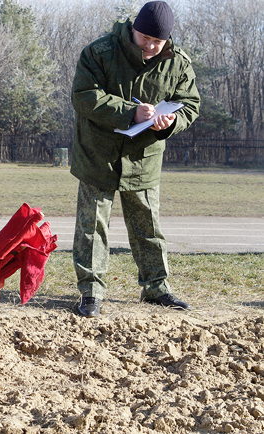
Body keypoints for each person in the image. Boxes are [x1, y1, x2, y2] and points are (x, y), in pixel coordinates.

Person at [70, 1, 200, 317]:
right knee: (92, 227)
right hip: (98, 156)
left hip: (144, 158)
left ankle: (157, 289)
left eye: (158, 41)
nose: (151, 46)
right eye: (144, 38)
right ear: (133, 29)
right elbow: (84, 96)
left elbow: (190, 105)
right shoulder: (99, 52)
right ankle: (91, 293)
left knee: (148, 226)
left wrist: (171, 122)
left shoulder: (178, 63)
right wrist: (130, 112)